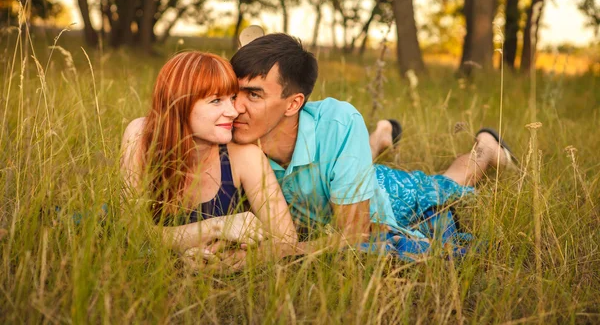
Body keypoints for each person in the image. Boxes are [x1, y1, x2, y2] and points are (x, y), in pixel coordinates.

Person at [228, 33, 515, 256]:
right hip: (348, 180)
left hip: (384, 196)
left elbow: (355, 234)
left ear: (293, 103)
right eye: (233, 92)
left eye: (253, 95)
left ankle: (486, 147)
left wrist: (272, 254)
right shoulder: (224, 129)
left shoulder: (338, 122)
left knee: (445, 184)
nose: (235, 107)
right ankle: (380, 135)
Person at [120, 51, 298, 264]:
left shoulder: (244, 156)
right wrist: (217, 227)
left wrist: (226, 259)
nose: (233, 111)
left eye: (231, 98)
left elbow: (287, 241)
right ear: (179, 103)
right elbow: (132, 234)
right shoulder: (141, 135)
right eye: (216, 101)